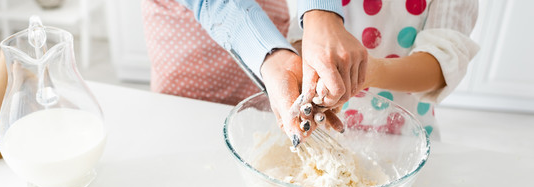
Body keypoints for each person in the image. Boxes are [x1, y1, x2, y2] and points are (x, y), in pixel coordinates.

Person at [142, 0, 478, 145]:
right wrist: (284, 57)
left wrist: (363, 70)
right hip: (205, 22)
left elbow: (441, 63)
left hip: (404, 132)